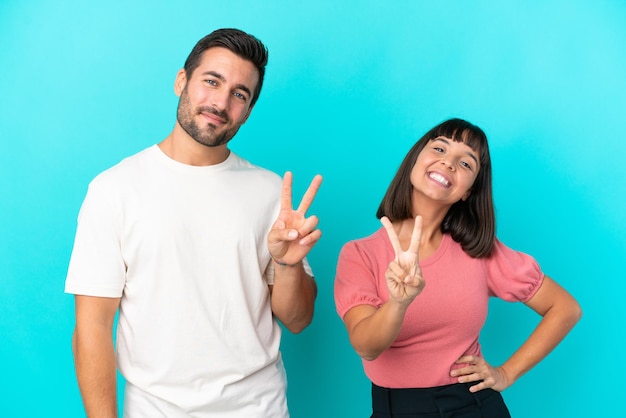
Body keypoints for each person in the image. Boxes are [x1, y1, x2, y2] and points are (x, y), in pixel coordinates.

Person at [65, 28, 322, 417]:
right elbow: (93, 327)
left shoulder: (271, 192)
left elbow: (299, 320)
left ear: (248, 110)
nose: (220, 102)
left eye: (239, 93)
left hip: (260, 407)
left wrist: (287, 264)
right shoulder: (114, 189)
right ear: (181, 81)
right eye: (211, 81)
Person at [334, 118, 581, 417]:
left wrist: (506, 373)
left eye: (466, 164)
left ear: (467, 192)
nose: (448, 163)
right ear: (415, 160)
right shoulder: (360, 254)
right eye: (439, 148)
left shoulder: (479, 251)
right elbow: (367, 347)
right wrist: (399, 302)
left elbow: (565, 308)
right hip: (395, 408)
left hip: (471, 405)